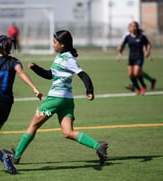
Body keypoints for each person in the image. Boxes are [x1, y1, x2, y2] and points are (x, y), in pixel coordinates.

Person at [6, 30, 108, 166]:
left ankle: (16, 156)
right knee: (68, 132)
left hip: (55, 99)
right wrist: (35, 68)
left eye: (55, 42)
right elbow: (50, 75)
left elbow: (83, 75)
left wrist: (89, 90)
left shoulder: (68, 59)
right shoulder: (61, 56)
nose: (53, 44)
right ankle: (97, 146)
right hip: (67, 101)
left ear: (63, 45)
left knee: (33, 125)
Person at [0, 35, 42, 175]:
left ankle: (3, 157)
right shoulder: (14, 62)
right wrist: (34, 88)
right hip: (5, 103)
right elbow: (21, 73)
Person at [117, 21, 153, 95]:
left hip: (139, 57)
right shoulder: (128, 37)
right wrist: (120, 53)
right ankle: (138, 88)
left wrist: (148, 52)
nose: (133, 28)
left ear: (137, 27)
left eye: (134, 26)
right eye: (131, 26)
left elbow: (148, 44)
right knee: (130, 74)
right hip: (131, 58)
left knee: (136, 73)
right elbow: (122, 45)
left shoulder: (141, 36)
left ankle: (143, 86)